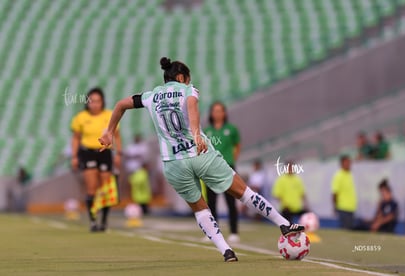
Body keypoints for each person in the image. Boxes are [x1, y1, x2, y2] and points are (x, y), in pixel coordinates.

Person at [98, 57, 304, 262]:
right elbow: (192, 106)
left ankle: (226, 250)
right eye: (187, 79)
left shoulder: (151, 96)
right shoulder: (187, 90)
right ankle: (283, 224)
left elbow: (120, 104)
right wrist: (196, 134)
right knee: (243, 192)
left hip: (173, 163)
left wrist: (109, 131)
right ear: (181, 77)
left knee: (200, 209)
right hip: (200, 155)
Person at [71, 87, 122, 232]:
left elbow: (117, 135)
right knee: (91, 188)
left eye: (98, 101)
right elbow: (75, 138)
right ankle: (93, 220)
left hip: (105, 152)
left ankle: (104, 221)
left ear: (102, 102)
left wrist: (119, 154)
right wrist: (74, 156)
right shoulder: (81, 117)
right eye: (92, 101)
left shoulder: (109, 115)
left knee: (105, 188)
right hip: (87, 153)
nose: (94, 104)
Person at [203, 101, 241, 242]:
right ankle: (213, 232)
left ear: (224, 113)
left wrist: (232, 159)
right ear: (211, 113)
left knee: (231, 201)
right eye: (215, 111)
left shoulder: (231, 129)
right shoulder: (207, 131)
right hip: (210, 169)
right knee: (211, 202)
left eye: (220, 110)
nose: (217, 113)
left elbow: (237, 145)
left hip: (227, 168)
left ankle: (234, 232)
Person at [331, 155, 357, 229]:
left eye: (350, 162)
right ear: (342, 163)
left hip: (351, 207)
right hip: (343, 208)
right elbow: (335, 193)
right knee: (346, 230)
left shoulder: (350, 174)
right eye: (347, 162)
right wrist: (335, 206)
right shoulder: (338, 175)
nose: (349, 164)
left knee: (350, 229)